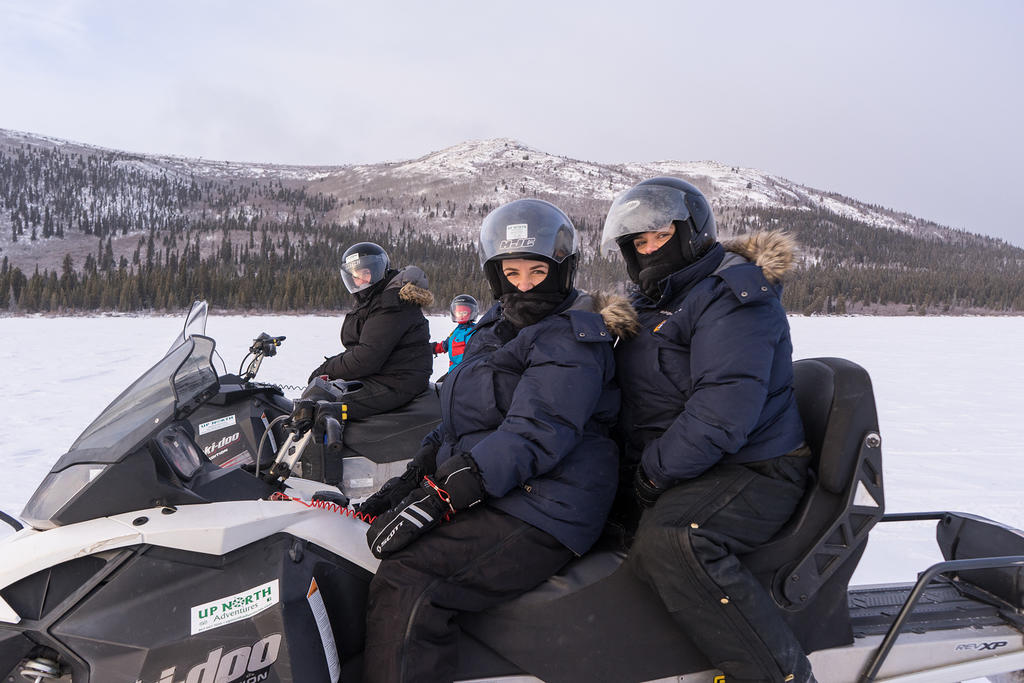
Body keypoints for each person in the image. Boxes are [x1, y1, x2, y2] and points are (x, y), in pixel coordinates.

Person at [357, 198, 637, 683]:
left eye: (536, 271)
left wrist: (445, 493)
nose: (524, 284)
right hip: (504, 490)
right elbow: (461, 419)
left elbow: (537, 432)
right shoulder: (495, 325)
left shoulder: (573, 334)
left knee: (412, 578)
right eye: (512, 272)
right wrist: (412, 479)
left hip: (549, 504)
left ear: (562, 270)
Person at [601, 177, 814, 683]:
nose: (649, 250)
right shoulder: (652, 300)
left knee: (674, 539)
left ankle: (778, 674)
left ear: (691, 232)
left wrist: (650, 477)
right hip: (693, 463)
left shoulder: (733, 296)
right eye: (639, 243)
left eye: (659, 236)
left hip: (755, 467)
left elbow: (722, 413)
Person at [308, 242, 433, 420]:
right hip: (384, 375)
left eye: (365, 273)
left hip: (399, 381)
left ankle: (333, 447)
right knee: (324, 397)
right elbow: (362, 349)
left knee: (323, 411)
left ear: (377, 271)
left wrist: (325, 369)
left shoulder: (392, 303)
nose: (360, 281)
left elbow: (367, 358)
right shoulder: (375, 300)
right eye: (355, 276)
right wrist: (330, 367)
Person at [432, 294, 479, 368]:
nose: (462, 315)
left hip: (465, 371)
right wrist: (431, 348)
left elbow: (475, 353)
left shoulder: (474, 331)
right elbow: (446, 345)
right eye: (459, 313)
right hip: (453, 370)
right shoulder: (456, 331)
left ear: (472, 313)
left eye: (464, 313)